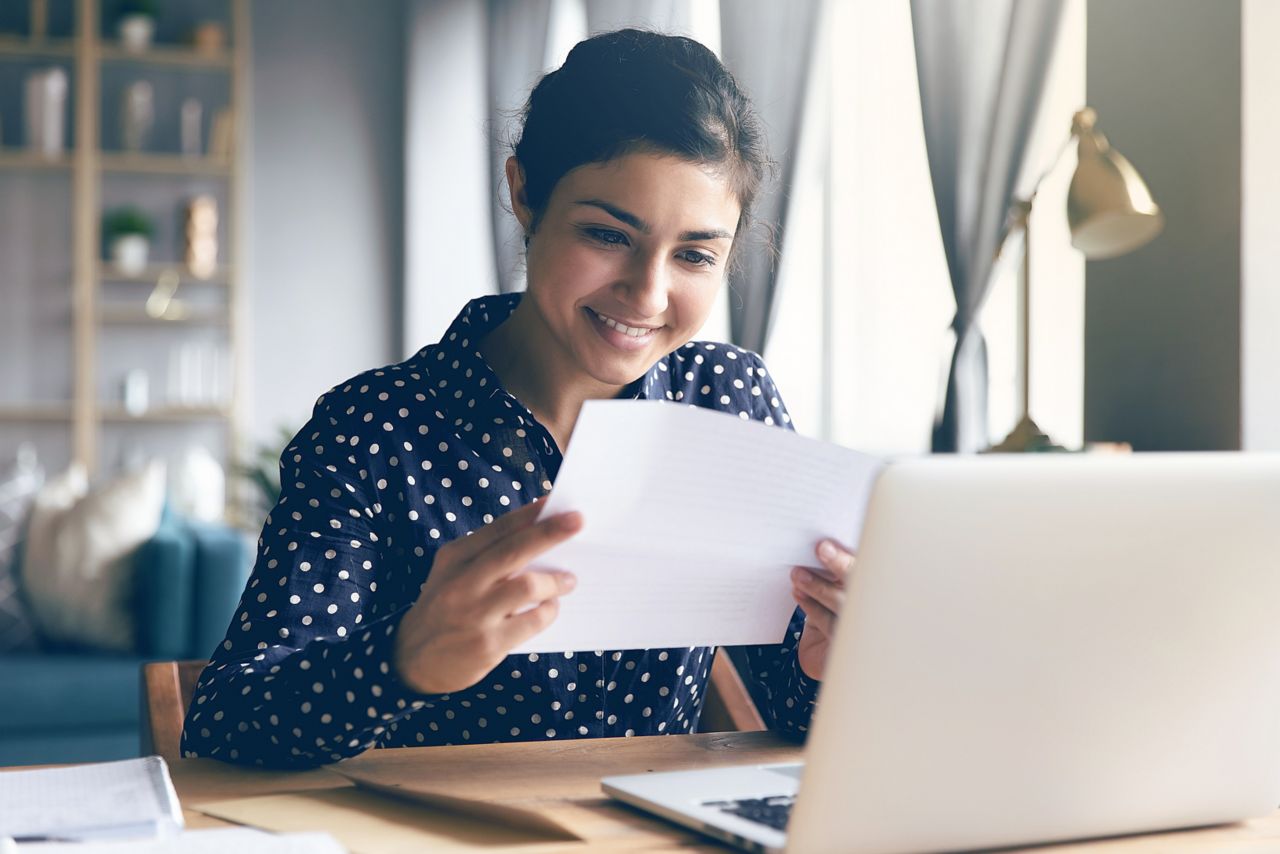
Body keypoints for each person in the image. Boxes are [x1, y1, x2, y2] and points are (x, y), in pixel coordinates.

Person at [182, 28, 854, 768]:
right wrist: (401, 659)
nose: (648, 293)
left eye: (695, 254)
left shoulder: (729, 401)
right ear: (524, 194)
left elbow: (794, 711)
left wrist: (832, 663)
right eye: (607, 234)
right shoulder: (372, 429)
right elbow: (226, 722)